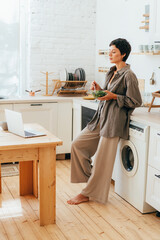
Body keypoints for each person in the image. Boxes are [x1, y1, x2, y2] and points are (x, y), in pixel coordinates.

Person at [67, 38, 142, 205]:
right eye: (109, 51)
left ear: (123, 54)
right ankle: (93, 183)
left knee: (102, 160)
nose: (110, 54)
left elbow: (135, 101)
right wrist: (100, 90)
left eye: (114, 52)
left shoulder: (129, 75)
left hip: (114, 121)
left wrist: (114, 96)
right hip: (100, 117)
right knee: (77, 145)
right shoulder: (111, 71)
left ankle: (87, 193)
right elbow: (107, 95)